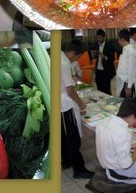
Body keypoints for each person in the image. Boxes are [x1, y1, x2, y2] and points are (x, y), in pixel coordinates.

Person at [61, 43, 94, 179]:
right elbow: (69, 90)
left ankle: (66, 161)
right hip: (65, 106)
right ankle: (79, 169)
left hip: (60, 104)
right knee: (72, 138)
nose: (77, 60)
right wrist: (81, 105)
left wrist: (71, 79)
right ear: (73, 53)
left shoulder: (57, 58)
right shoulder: (64, 63)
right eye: (78, 57)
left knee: (63, 135)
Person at [116, 29, 136, 99]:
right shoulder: (125, 48)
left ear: (122, 39)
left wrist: (129, 87)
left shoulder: (131, 51)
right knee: (122, 100)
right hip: (123, 80)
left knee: (126, 103)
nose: (118, 41)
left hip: (127, 81)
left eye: (118, 39)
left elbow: (131, 70)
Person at [94, 29, 116, 95]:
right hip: (98, 70)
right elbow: (95, 56)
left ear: (104, 37)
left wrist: (104, 57)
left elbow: (112, 59)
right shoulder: (96, 45)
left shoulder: (110, 46)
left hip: (106, 70)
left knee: (106, 90)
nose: (99, 39)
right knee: (99, 89)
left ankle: (108, 104)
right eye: (97, 38)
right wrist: (94, 55)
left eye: (100, 38)